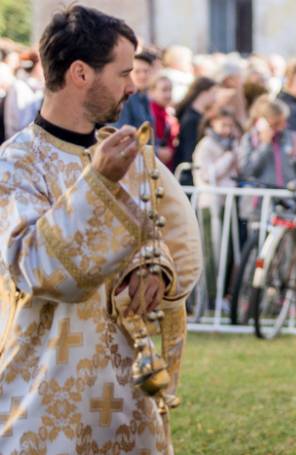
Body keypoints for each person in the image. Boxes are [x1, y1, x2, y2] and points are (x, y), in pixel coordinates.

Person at [0, 6, 202, 453]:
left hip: (127, 389)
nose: (133, 85)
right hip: (45, 390)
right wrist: (97, 182)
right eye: (123, 72)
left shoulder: (128, 153)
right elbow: (35, 267)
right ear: (80, 73)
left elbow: (167, 238)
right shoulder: (16, 162)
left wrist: (155, 268)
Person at [192, 108, 241, 304]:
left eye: (230, 126)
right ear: (213, 124)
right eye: (223, 125)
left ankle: (222, 293)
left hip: (226, 202)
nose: (227, 130)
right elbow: (208, 174)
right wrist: (228, 157)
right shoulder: (206, 146)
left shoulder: (231, 145)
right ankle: (210, 296)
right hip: (209, 203)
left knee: (225, 251)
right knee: (211, 250)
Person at [172, 76, 218, 183]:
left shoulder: (197, 117)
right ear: (204, 93)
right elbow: (189, 150)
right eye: (213, 93)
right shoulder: (191, 119)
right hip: (188, 174)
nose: (215, 98)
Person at [4, 51, 44, 139]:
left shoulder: (39, 88)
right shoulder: (18, 87)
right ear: (36, 66)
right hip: (19, 141)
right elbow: (18, 122)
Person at [115, 49, 157, 129]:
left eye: (146, 71)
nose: (143, 76)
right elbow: (120, 133)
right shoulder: (123, 99)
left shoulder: (145, 97)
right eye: (137, 71)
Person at [147, 74, 179, 170]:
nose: (168, 94)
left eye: (170, 90)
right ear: (152, 92)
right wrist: (158, 151)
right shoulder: (149, 112)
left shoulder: (168, 113)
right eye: (164, 90)